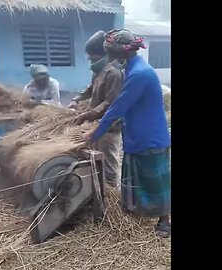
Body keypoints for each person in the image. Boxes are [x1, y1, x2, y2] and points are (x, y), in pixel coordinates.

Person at [73, 29, 171, 237]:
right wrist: (89, 118)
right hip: (137, 134)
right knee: (137, 179)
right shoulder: (133, 69)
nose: (108, 57)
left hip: (150, 137)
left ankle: (165, 221)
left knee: (156, 182)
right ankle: (137, 212)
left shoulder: (139, 74)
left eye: (109, 53)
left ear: (121, 54)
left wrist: (94, 133)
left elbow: (117, 107)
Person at [67, 30, 123, 187]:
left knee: (109, 165)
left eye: (91, 54)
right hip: (96, 126)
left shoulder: (114, 73)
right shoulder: (98, 71)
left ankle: (113, 197)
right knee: (97, 161)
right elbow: (90, 89)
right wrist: (76, 99)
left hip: (109, 127)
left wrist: (88, 114)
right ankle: (100, 193)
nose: (89, 58)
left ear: (102, 53)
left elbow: (110, 103)